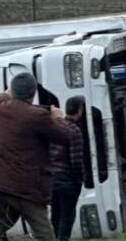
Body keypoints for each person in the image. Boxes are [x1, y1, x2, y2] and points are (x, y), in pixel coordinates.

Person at [0, 73, 67, 240]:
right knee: (44, 235)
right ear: (33, 94)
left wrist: (10, 90)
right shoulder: (37, 116)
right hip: (26, 188)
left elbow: (3, 95)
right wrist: (58, 118)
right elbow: (62, 137)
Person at [50, 96, 86, 241]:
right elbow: (75, 161)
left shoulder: (54, 127)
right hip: (67, 180)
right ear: (79, 110)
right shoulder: (74, 131)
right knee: (67, 216)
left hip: (52, 179)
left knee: (55, 215)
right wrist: (80, 179)